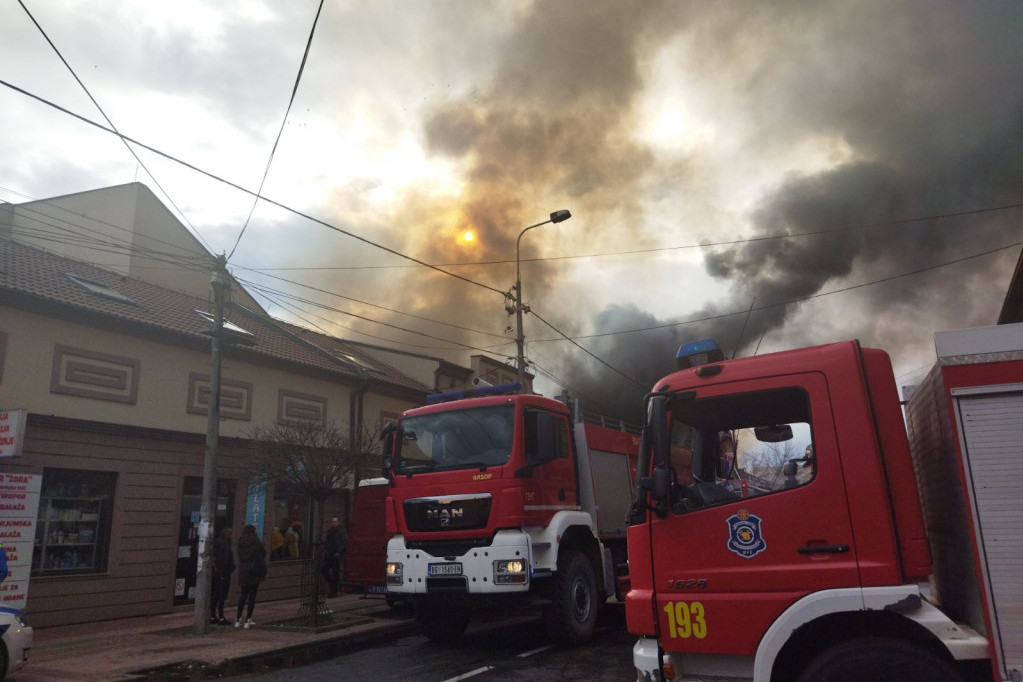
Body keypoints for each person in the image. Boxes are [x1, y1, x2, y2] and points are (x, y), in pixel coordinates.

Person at [235, 524, 267, 628]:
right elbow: (263, 553)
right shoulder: (256, 541)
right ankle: (248, 620)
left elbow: (240, 555)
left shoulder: (240, 542)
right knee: (252, 596)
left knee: (243, 595)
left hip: (243, 570)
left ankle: (238, 619)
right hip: (254, 571)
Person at [209, 527, 234, 625]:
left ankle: (212, 616)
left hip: (216, 573)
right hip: (223, 574)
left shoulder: (217, 544)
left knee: (215, 595)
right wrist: (229, 569)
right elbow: (226, 561)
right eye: (230, 534)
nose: (231, 536)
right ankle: (221, 617)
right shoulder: (225, 546)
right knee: (221, 596)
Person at [320, 516, 347, 598]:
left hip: (336, 555)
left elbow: (345, 542)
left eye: (335, 522)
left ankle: (334, 591)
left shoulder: (341, 532)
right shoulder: (330, 531)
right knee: (324, 570)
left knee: (335, 573)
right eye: (332, 522)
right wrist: (325, 549)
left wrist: (340, 552)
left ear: (338, 523)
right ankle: (332, 585)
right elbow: (327, 541)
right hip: (329, 554)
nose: (333, 523)